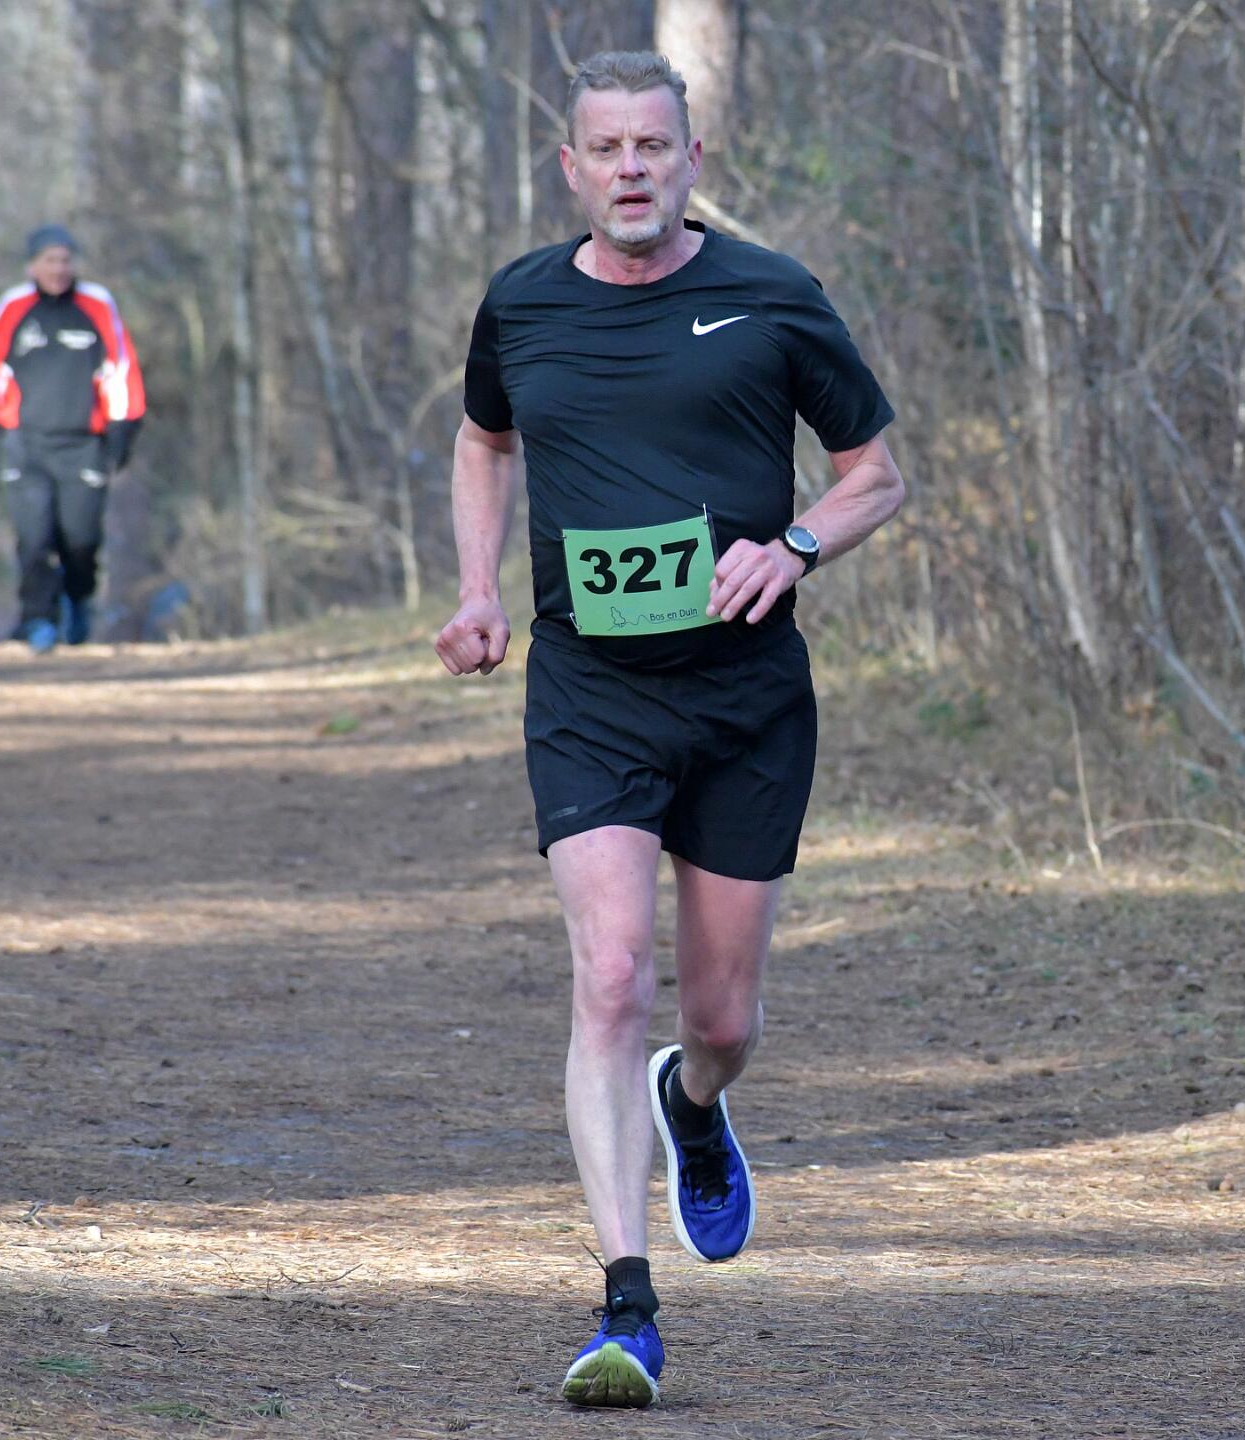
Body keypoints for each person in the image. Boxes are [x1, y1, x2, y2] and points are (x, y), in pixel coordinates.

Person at [434, 51, 904, 1409]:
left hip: (746, 698)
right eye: (608, 147)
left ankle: (691, 1102)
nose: (631, 168)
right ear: (570, 167)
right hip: (592, 692)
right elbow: (484, 442)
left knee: (720, 1017)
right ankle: (626, 1308)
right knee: (608, 973)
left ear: (694, 160)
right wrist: (477, 589)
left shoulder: (772, 294)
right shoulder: (522, 303)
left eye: (655, 145)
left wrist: (794, 546)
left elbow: (876, 475)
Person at [0, 224, 146, 653]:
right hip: (25, 442)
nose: (58, 268)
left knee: (81, 540)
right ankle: (37, 620)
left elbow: (121, 369)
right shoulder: (12, 308)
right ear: (32, 266)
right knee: (34, 539)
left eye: (65, 260)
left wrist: (122, 428)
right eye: (49, 260)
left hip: (82, 443)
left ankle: (78, 600)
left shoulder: (97, 305)